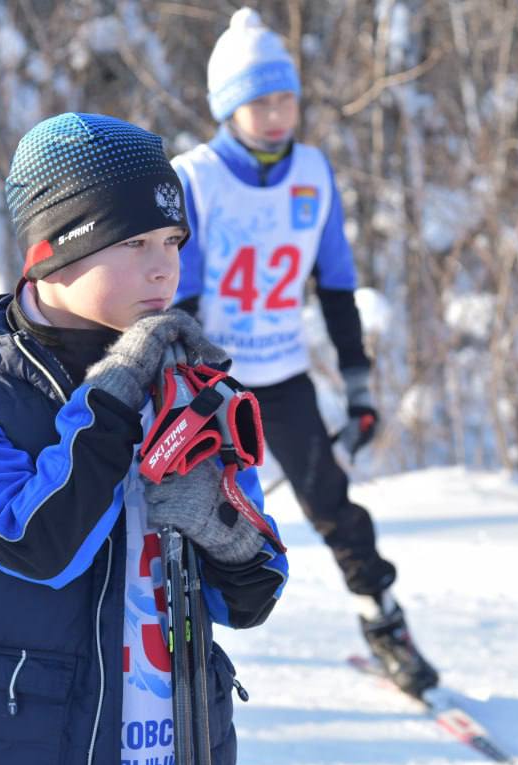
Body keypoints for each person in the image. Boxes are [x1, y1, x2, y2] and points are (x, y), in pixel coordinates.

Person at [0, 112, 289, 765]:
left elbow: (253, 595)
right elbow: (42, 545)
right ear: (53, 251)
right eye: (134, 243)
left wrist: (223, 531)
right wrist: (115, 392)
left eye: (172, 242)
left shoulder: (187, 382)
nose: (164, 267)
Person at [171, 8, 438, 698]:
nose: (276, 113)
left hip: (285, 377)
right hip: (213, 380)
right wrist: (184, 391)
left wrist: (358, 388)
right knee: (200, 513)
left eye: (285, 97)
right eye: (259, 101)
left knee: (335, 509)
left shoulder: (314, 173)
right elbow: (181, 297)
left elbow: (338, 284)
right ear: (229, 107)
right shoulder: (194, 177)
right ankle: (176, 647)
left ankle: (386, 627)